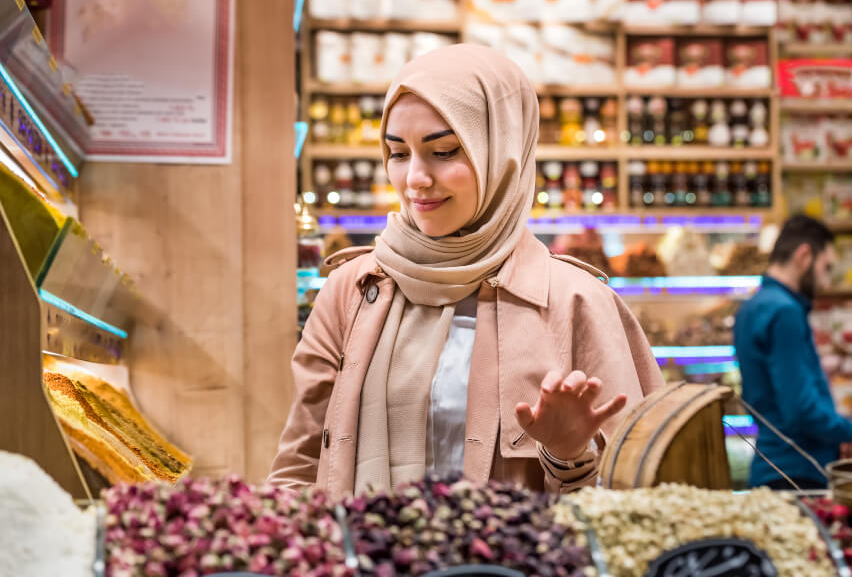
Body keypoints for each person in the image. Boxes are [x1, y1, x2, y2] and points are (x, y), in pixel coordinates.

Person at [269, 44, 663, 499]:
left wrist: (568, 456)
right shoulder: (352, 290)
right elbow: (299, 468)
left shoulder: (575, 302)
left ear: (503, 151)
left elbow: (639, 503)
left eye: (443, 150)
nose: (414, 177)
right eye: (398, 153)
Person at [735, 215, 851, 490]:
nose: (824, 282)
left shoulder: (752, 306)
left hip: (771, 463)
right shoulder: (785, 311)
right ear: (804, 255)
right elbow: (802, 410)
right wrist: (847, 430)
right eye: (826, 267)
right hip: (797, 472)